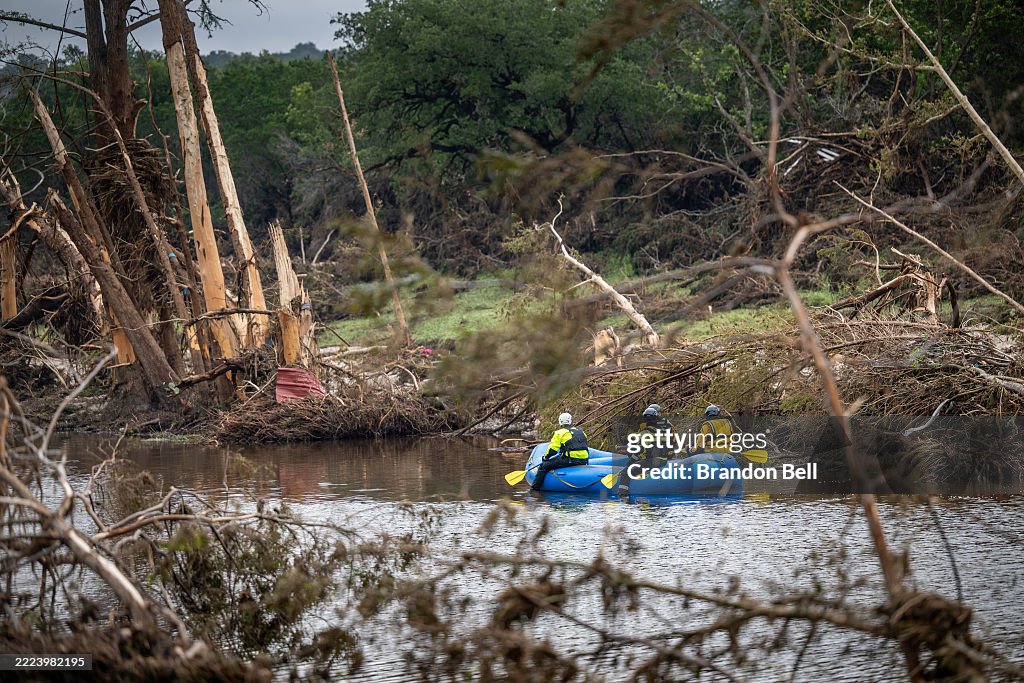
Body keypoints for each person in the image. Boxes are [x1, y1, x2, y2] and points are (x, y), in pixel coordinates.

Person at [620, 404, 670, 495]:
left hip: (652, 461)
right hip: (663, 460)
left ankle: (623, 496)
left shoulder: (645, 433)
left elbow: (640, 452)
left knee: (625, 472)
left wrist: (630, 463)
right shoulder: (663, 430)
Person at [531, 412, 590, 490]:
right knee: (560, 458)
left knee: (544, 466)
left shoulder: (559, 433)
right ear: (571, 421)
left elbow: (553, 450)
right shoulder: (581, 432)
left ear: (560, 422)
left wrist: (546, 457)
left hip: (570, 460)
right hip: (584, 460)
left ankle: (534, 488)